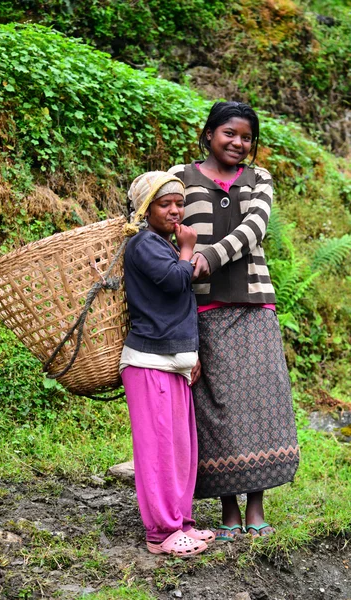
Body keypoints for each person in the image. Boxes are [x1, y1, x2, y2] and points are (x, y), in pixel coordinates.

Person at [169, 101, 300, 540]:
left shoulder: (258, 179)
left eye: (246, 137)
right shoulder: (179, 178)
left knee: (260, 404)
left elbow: (254, 229)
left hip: (252, 306)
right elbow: (157, 225)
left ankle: (257, 506)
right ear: (208, 134)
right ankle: (228, 509)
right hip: (201, 309)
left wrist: (207, 255)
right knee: (216, 411)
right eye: (229, 133)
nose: (238, 143)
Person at [120, 171, 215, 556]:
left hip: (170, 361)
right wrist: (188, 247)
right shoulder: (144, 244)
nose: (175, 211)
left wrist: (190, 356)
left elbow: (178, 307)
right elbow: (177, 283)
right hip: (148, 361)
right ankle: (160, 532)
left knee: (179, 447)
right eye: (165, 204)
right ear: (147, 209)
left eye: (179, 203)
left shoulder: (161, 243)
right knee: (158, 449)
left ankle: (181, 521)